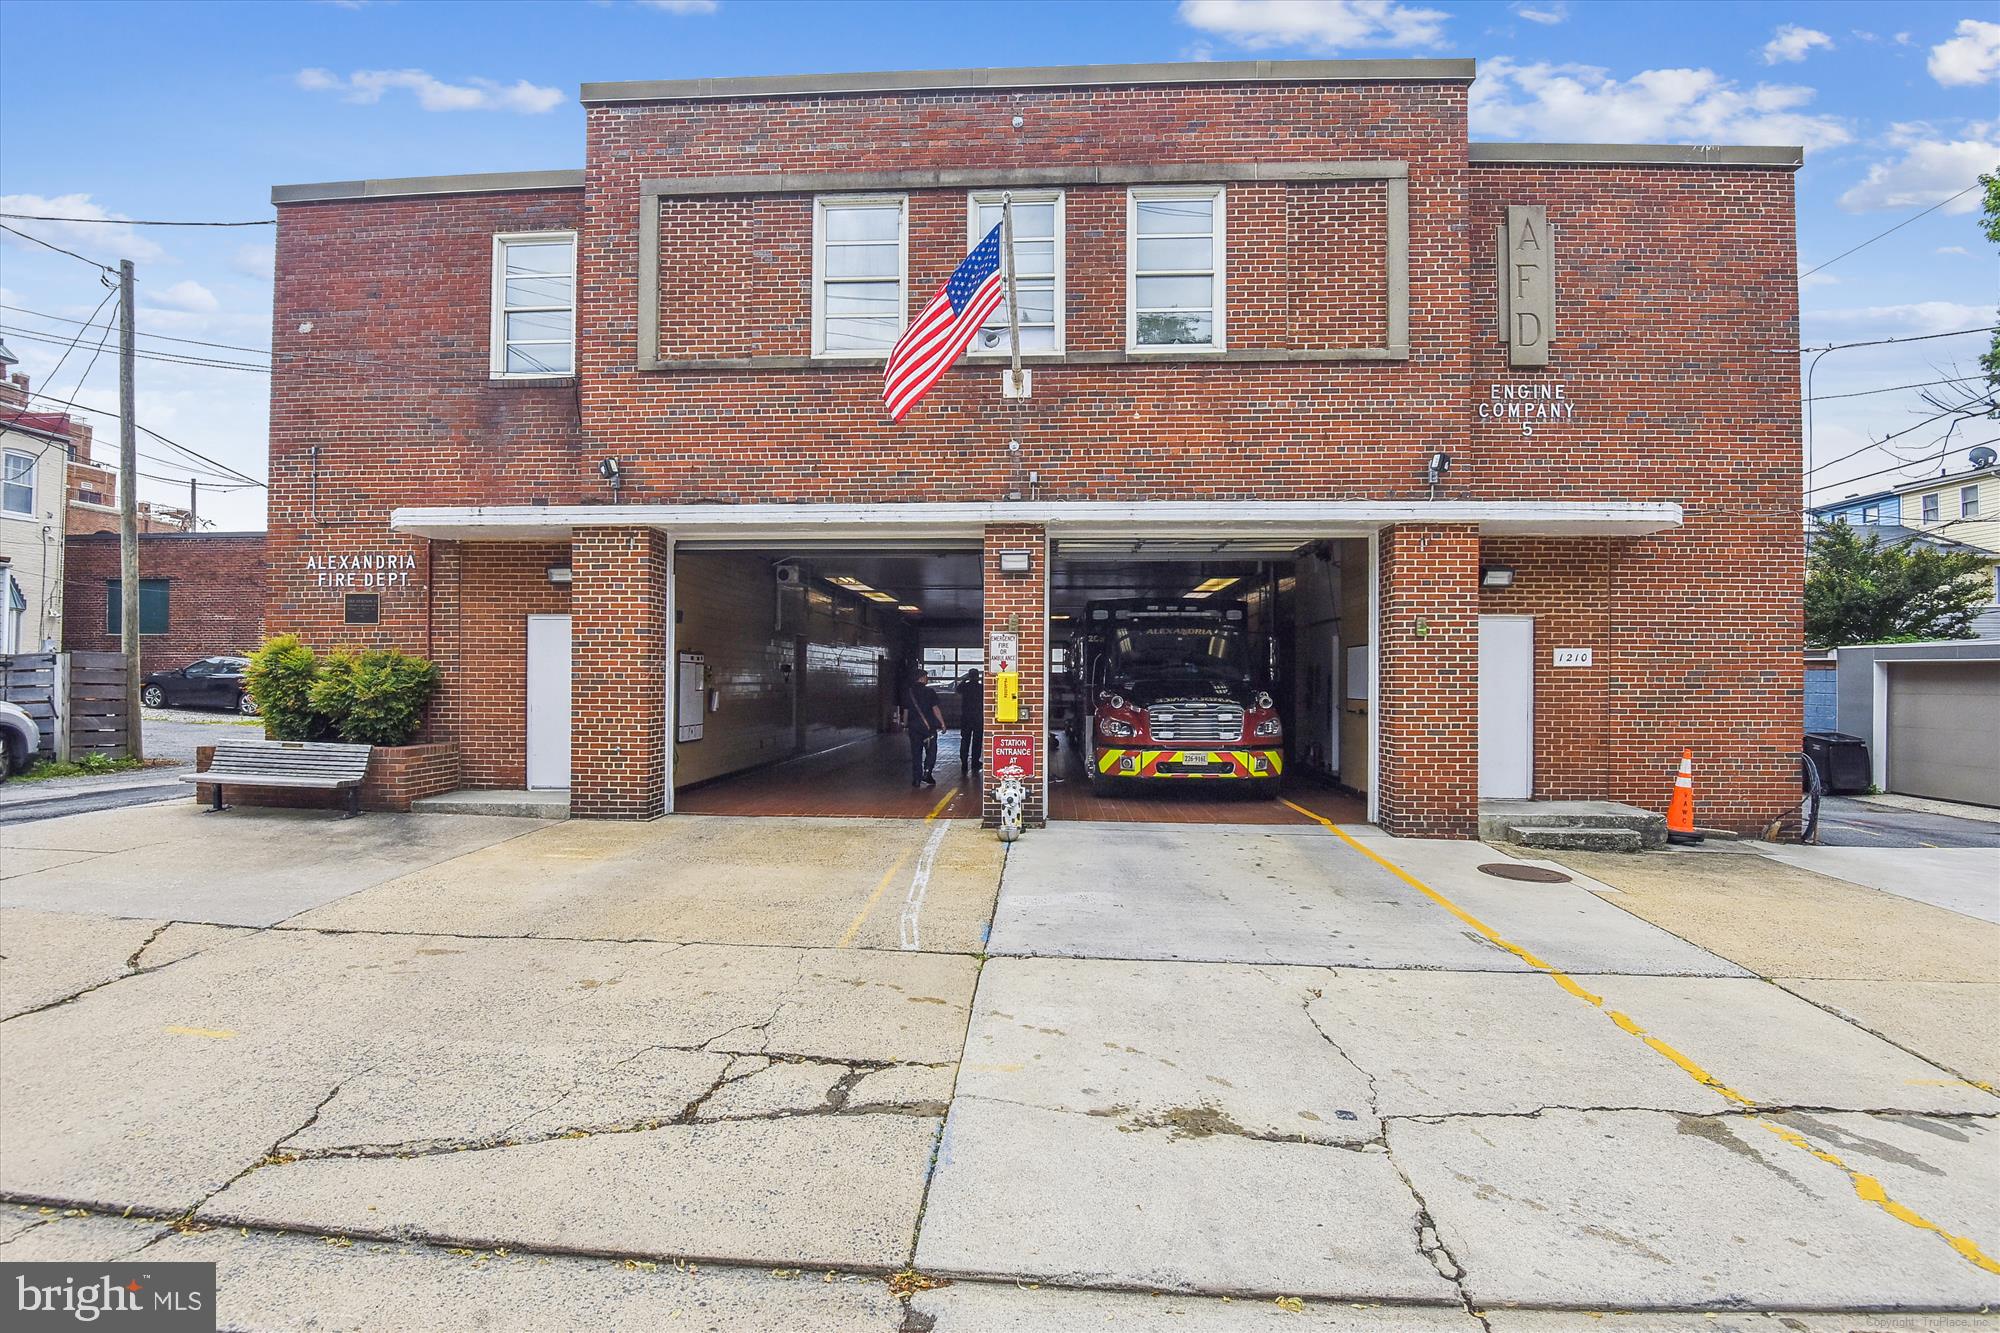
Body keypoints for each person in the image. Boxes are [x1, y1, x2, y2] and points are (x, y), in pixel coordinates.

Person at [903, 668, 946, 788]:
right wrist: (942, 723)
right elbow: (935, 709)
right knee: (931, 751)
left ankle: (916, 779)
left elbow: (906, 710)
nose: (927, 679)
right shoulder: (929, 691)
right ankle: (927, 773)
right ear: (921, 678)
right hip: (929, 728)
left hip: (913, 727)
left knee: (916, 753)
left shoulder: (909, 692)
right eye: (926, 677)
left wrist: (905, 724)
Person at [956, 667, 984, 776]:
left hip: (966, 717)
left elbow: (957, 690)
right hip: (977, 717)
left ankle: (964, 762)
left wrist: (964, 680)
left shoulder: (965, 687)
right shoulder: (981, 687)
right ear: (977, 676)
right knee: (977, 741)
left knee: (965, 740)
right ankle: (975, 761)